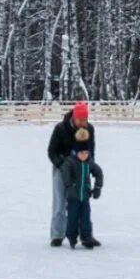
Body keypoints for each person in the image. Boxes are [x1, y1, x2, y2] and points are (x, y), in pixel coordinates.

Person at [48, 102, 98, 247]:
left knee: (83, 202)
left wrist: (90, 166)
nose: (83, 123)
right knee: (60, 202)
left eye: (85, 119)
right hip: (61, 168)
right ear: (74, 118)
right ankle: (57, 235)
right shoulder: (60, 129)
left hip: (81, 168)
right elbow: (51, 151)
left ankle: (86, 235)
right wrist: (61, 164)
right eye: (81, 120)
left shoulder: (89, 129)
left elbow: (91, 150)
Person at [59, 129, 104, 249]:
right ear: (76, 152)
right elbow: (65, 172)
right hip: (73, 197)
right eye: (81, 153)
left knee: (86, 218)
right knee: (72, 218)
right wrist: (69, 186)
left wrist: (97, 187)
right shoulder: (70, 162)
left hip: (85, 197)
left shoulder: (89, 163)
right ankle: (72, 236)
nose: (84, 155)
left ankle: (86, 237)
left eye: (86, 153)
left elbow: (99, 173)